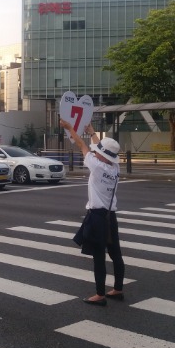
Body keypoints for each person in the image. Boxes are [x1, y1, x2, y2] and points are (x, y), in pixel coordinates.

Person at [60, 118, 125, 306]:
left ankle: (100, 295)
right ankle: (118, 289)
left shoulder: (96, 166)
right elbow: (102, 150)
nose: (95, 153)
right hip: (110, 217)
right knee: (115, 253)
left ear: (102, 156)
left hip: (97, 218)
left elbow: (81, 145)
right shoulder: (115, 168)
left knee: (99, 257)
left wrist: (69, 128)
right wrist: (93, 132)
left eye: (98, 153)